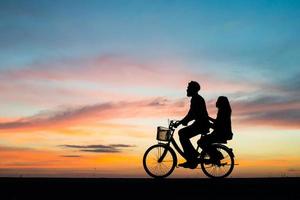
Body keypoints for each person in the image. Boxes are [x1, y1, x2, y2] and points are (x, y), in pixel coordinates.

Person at [174, 81, 210, 169]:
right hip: (200, 124)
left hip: (201, 125)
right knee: (183, 133)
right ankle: (192, 156)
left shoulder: (196, 99)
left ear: (193, 89)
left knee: (182, 133)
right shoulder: (196, 98)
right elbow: (191, 114)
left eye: (188, 88)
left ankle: (192, 157)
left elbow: (192, 115)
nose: (187, 89)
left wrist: (181, 122)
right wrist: (182, 121)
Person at [199, 96, 233, 163]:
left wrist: (208, 121)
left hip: (221, 134)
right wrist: (208, 119)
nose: (216, 102)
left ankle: (215, 156)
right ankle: (215, 155)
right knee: (205, 141)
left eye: (218, 101)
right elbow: (217, 122)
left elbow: (218, 124)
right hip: (224, 133)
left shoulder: (223, 111)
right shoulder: (225, 111)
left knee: (201, 142)